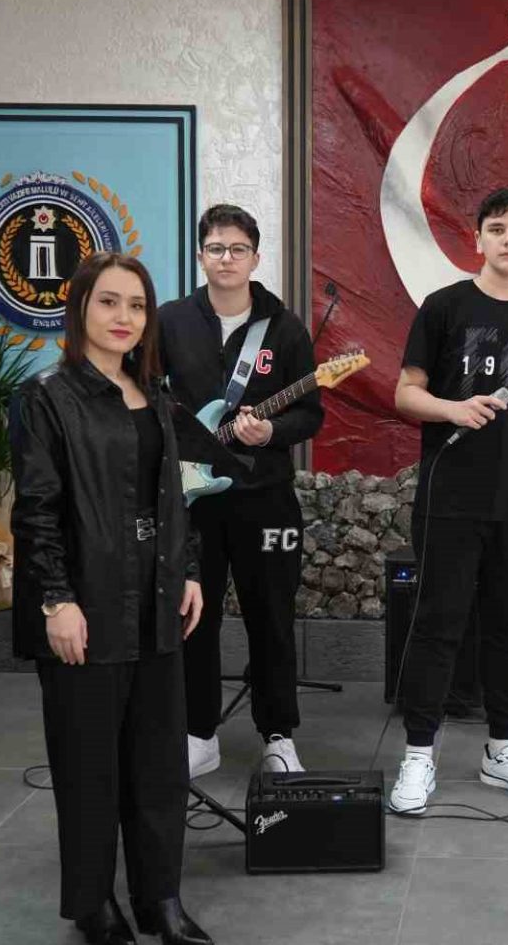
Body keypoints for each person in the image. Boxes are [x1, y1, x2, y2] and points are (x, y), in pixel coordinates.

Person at [12, 252, 210, 945]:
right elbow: (36, 509)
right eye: (108, 301)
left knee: (159, 766)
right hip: (88, 601)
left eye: (137, 305)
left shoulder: (153, 392)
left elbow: (173, 492)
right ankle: (92, 903)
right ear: (80, 308)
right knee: (88, 766)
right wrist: (55, 600)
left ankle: (161, 899)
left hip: (156, 601)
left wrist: (187, 568)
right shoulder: (46, 397)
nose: (124, 317)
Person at [387, 186, 508, 815]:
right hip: (450, 496)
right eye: (496, 229)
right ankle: (419, 753)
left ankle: (503, 749)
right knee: (437, 623)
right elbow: (405, 393)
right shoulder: (444, 307)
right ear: (477, 240)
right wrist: (453, 408)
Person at [160, 203, 322, 778]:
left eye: (237, 249)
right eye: (215, 248)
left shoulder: (285, 328)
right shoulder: (170, 322)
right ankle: (198, 732)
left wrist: (271, 431)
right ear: (199, 256)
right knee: (192, 618)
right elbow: (146, 397)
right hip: (192, 501)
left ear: (255, 257)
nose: (226, 259)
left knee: (271, 617)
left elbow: (310, 414)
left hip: (265, 496)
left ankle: (278, 735)